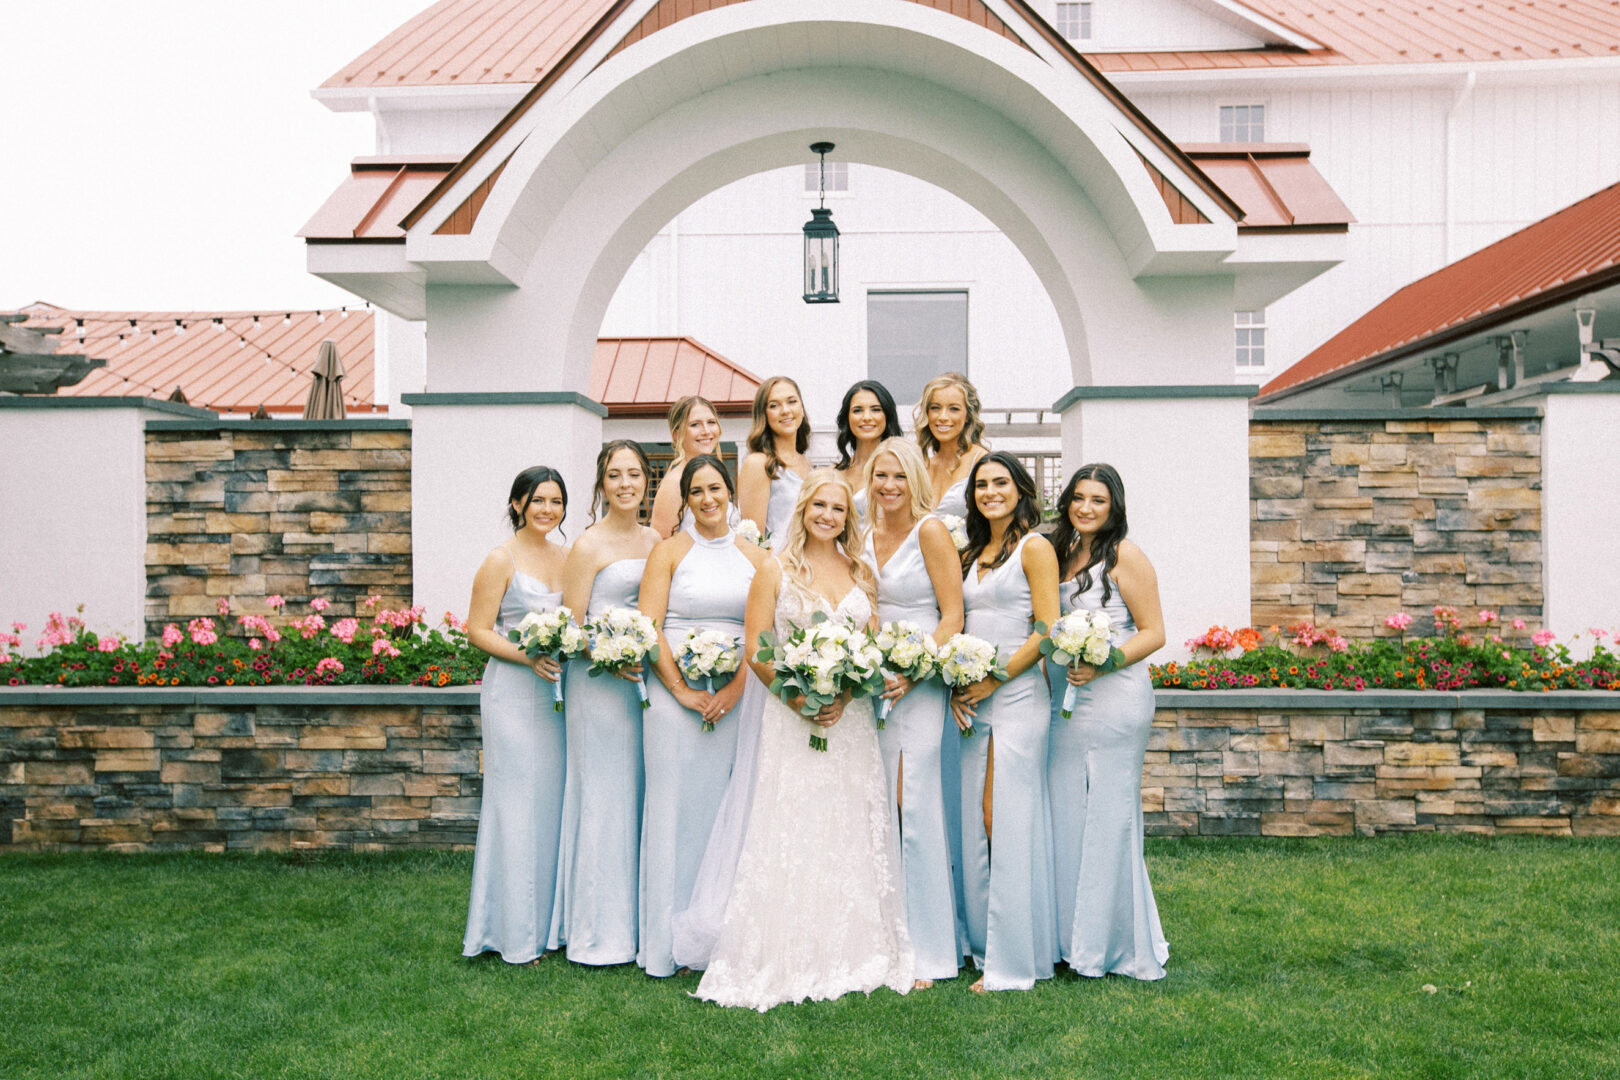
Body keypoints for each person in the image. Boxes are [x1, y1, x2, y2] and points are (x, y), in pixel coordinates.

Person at [695, 470, 914, 1010]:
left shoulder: (861, 571)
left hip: (850, 720)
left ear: (848, 517)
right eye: (820, 505)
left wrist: (854, 684)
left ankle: (853, 945)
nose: (828, 516)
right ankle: (784, 951)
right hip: (791, 716)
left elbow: (869, 644)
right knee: (792, 823)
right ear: (803, 509)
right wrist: (800, 699)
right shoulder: (774, 567)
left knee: (845, 822)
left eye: (838, 509)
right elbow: (757, 647)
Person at [636, 455, 768, 978]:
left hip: (740, 698)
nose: (708, 500)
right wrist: (680, 690)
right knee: (673, 812)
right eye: (697, 492)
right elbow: (649, 626)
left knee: (725, 815)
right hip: (674, 700)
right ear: (685, 500)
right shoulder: (668, 553)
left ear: (731, 493)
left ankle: (716, 935)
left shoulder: (757, 556)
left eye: (716, 489)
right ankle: (664, 943)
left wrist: (738, 686)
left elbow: (766, 631)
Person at [1045, 464, 1169, 981]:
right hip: (1066, 699)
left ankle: (1112, 945)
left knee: (1109, 817)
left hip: (1116, 696)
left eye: (1098, 499)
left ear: (1114, 505)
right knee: (1068, 812)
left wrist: (1105, 660)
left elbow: (1154, 632)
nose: (1086, 508)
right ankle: (1069, 938)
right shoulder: (1060, 551)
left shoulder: (1125, 554)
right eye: (1078, 498)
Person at [952, 451, 1060, 993]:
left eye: (1000, 482)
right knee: (976, 821)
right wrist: (958, 683)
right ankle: (983, 945)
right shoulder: (973, 550)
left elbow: (1047, 629)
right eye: (981, 485)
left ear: (1020, 488)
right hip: (973, 696)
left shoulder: (1034, 547)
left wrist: (996, 678)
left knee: (1004, 819)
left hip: (1016, 697)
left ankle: (1015, 959)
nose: (990, 491)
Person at [864, 438, 965, 984]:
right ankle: (881, 941)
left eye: (899, 477)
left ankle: (928, 949)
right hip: (872, 686)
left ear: (915, 482)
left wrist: (916, 665)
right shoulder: (862, 535)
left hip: (918, 686)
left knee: (915, 804)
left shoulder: (932, 531)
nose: (889, 486)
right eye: (881, 476)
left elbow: (953, 614)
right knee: (880, 807)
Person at [462, 467, 570, 964]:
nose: (548, 509)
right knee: (515, 805)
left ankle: (549, 924)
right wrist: (527, 655)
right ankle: (510, 931)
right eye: (538, 500)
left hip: (555, 695)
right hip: (512, 691)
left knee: (549, 804)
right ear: (517, 505)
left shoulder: (569, 558)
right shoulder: (500, 559)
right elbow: (478, 630)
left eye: (556, 501)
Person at [558, 441, 660, 965]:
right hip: (597, 685)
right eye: (615, 475)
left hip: (643, 685)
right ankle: (598, 933)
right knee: (603, 797)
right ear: (602, 484)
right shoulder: (588, 546)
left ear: (648, 481)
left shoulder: (657, 539)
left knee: (640, 795)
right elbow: (569, 626)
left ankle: (641, 924)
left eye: (634, 474)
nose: (625, 483)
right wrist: (609, 652)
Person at [737, 376, 812, 541]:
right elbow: (753, 540)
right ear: (763, 414)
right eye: (774, 405)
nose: (785, 410)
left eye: (792, 401)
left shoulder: (807, 463)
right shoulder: (758, 464)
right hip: (776, 563)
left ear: (801, 407)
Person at [648, 395, 724, 538]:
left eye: (711, 422)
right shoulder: (675, 483)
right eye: (695, 424)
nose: (706, 431)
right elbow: (661, 545)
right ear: (676, 434)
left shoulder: (717, 474)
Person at [915, 372, 988, 518]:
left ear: (967, 415)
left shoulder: (981, 461)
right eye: (935, 408)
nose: (943, 417)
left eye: (953, 409)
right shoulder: (922, 465)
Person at [833, 380, 903, 525]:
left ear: (887, 416)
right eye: (857, 410)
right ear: (847, 418)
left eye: (876, 409)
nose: (866, 417)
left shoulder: (903, 470)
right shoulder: (834, 472)